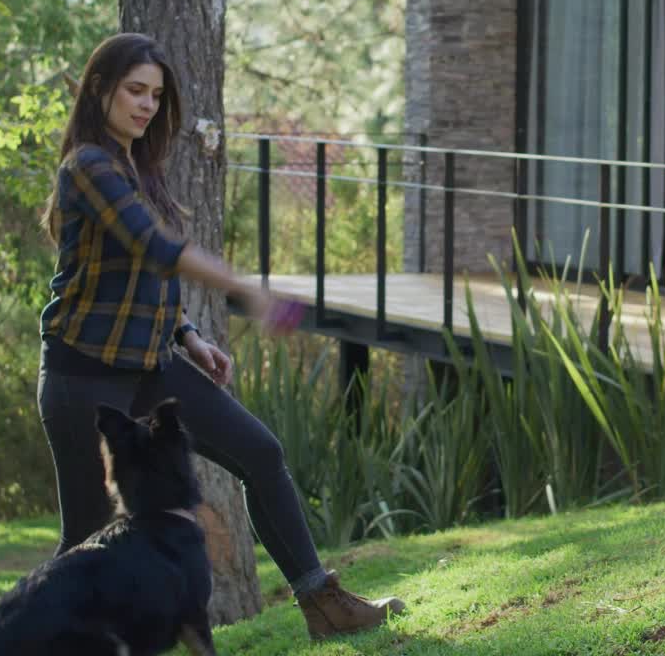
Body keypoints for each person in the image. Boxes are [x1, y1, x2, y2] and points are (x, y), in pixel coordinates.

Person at [36, 32, 403, 640]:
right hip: (82, 375)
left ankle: (324, 606)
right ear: (100, 88)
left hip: (150, 366)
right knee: (86, 536)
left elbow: (143, 275)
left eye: (155, 94)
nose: (147, 104)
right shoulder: (89, 165)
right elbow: (155, 248)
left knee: (260, 453)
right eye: (134, 90)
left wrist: (188, 334)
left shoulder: (135, 164)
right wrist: (248, 289)